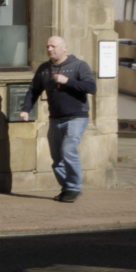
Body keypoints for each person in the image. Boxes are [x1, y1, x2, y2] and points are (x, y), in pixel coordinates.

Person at [23, 33, 98, 202]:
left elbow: (92, 87)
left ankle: (73, 187)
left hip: (76, 117)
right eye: (48, 47)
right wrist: (26, 109)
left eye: (54, 46)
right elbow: (33, 90)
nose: (50, 49)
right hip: (55, 118)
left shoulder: (79, 66)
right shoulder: (44, 69)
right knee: (57, 156)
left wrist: (67, 81)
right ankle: (67, 187)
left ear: (65, 48)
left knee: (68, 150)